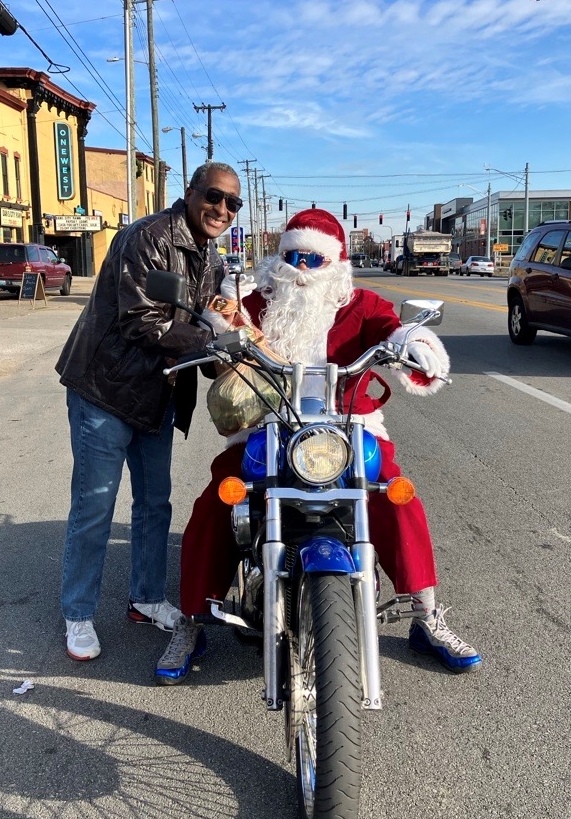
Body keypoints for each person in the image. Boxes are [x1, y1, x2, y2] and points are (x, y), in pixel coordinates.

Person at [156, 208, 482, 683]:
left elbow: (392, 327)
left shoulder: (360, 304)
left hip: (348, 426)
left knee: (395, 492)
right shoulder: (254, 300)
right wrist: (217, 325)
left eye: (312, 258)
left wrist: (414, 341)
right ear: (279, 258)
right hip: (267, 426)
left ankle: (426, 614)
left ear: (334, 262)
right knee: (218, 499)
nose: (302, 269)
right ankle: (190, 621)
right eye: (292, 256)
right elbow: (219, 327)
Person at [56, 161, 243, 660]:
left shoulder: (212, 258)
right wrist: (215, 337)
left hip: (158, 394)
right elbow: (140, 321)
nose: (222, 209)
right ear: (190, 192)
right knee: (95, 505)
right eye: (214, 196)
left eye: (232, 203)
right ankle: (78, 613)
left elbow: (205, 323)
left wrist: (224, 332)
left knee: (155, 503)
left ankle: (146, 597)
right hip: (106, 390)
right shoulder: (148, 238)